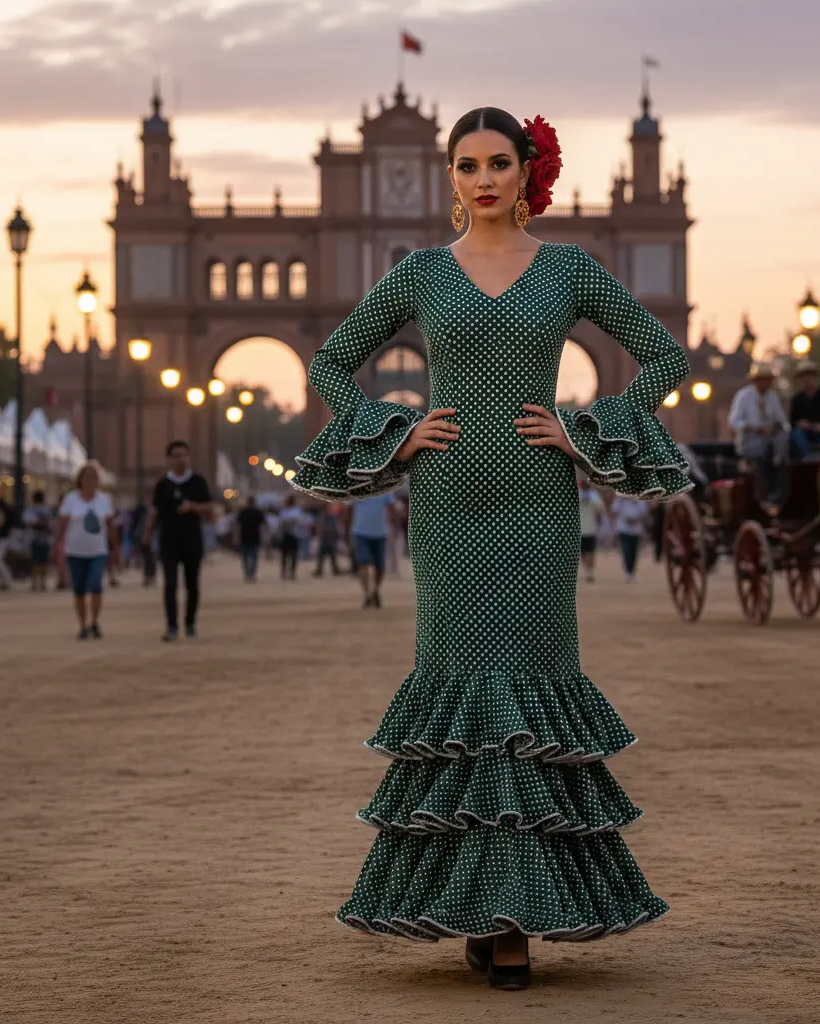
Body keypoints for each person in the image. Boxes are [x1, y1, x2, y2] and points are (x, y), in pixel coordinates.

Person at [290, 106, 687, 989]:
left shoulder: (570, 270)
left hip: (539, 506)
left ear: (525, 170)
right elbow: (329, 362)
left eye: (498, 162)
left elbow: (662, 356)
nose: (482, 179)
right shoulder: (421, 274)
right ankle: (484, 905)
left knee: (531, 697)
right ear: (451, 176)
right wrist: (394, 435)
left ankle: (514, 913)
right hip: (449, 505)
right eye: (466, 165)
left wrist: (586, 431)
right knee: (462, 693)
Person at [146, 440, 213, 641]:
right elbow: (154, 511)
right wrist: (147, 536)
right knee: (170, 583)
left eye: (183, 455)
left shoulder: (198, 482)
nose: (180, 460)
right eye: (176, 456)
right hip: (168, 541)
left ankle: (190, 623)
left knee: (192, 584)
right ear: (169, 459)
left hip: (192, 540)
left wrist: (193, 507)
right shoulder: (163, 485)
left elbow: (210, 507)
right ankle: (172, 626)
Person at [54, 462, 116, 639]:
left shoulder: (105, 500)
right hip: (75, 550)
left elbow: (110, 525)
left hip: (98, 550)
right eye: (87, 477)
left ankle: (94, 621)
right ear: (80, 479)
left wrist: (114, 546)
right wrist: (57, 544)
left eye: (94, 477)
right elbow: (63, 524)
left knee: (96, 584)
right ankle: (82, 624)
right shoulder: (70, 499)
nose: (91, 481)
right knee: (79, 589)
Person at [728, 363, 789, 507]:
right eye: (763, 379)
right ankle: (764, 495)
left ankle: (780, 492)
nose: (767, 383)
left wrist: (776, 427)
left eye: (768, 380)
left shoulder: (772, 397)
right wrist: (751, 427)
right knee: (762, 459)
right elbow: (734, 420)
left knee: (781, 459)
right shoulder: (743, 396)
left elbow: (782, 420)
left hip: (771, 443)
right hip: (751, 443)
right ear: (756, 381)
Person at [349, 492, 395, 607]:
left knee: (379, 567)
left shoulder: (386, 488)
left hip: (380, 533)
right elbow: (348, 508)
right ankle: (367, 593)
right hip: (360, 532)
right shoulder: (357, 486)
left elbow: (391, 508)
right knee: (362, 563)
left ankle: (375, 590)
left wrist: (394, 526)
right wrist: (347, 530)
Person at [788, 361, 820, 458]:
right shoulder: (797, 399)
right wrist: (800, 424)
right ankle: (808, 459)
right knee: (796, 436)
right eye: (804, 376)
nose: (807, 379)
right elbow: (792, 421)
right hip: (804, 434)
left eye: (810, 376)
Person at [23, 490, 55, 591]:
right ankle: (42, 583)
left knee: (35, 562)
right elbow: (50, 524)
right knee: (44, 562)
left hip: (34, 539)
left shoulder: (30, 510)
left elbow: (28, 522)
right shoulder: (47, 510)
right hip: (45, 539)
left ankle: (34, 583)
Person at [613, 494, 648, 582]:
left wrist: (636, 519)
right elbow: (614, 510)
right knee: (626, 551)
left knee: (634, 552)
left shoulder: (639, 499)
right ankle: (628, 571)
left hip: (636, 530)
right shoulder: (620, 499)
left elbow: (644, 512)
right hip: (623, 529)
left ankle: (632, 571)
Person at [577, 476, 605, 582]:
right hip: (581, 529)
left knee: (589, 552)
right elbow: (601, 510)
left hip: (589, 528)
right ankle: (587, 571)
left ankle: (590, 572)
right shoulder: (580, 494)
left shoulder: (593, 496)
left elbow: (600, 509)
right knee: (584, 552)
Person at [234, 494, 267, 581]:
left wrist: (236, 537)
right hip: (255, 537)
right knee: (254, 557)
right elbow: (263, 526)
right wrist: (264, 537)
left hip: (244, 536)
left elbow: (238, 526)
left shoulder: (242, 512)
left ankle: (247, 573)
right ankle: (251, 574)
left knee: (245, 557)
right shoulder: (258, 512)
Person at [277, 495, 304, 580]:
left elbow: (297, 520)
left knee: (293, 555)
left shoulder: (296, 510)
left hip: (294, 535)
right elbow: (281, 521)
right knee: (284, 555)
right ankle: (284, 572)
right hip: (285, 535)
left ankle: (292, 572)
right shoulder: (284, 511)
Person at [313, 503, 343, 577]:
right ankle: (319, 570)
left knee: (333, 556)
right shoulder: (321, 516)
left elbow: (336, 527)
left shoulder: (333, 517)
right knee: (321, 556)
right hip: (324, 538)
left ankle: (335, 569)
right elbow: (318, 526)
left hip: (331, 538)